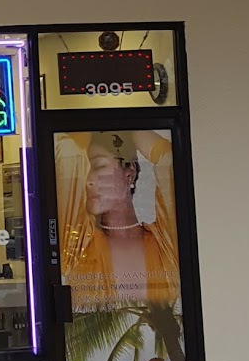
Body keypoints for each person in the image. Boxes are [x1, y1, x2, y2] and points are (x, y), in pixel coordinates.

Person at [55, 129, 179, 310]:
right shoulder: (76, 245)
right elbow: (67, 150)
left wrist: (128, 128)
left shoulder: (166, 244)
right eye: (84, 170)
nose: (87, 181)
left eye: (98, 166)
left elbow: (169, 159)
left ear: (130, 173)